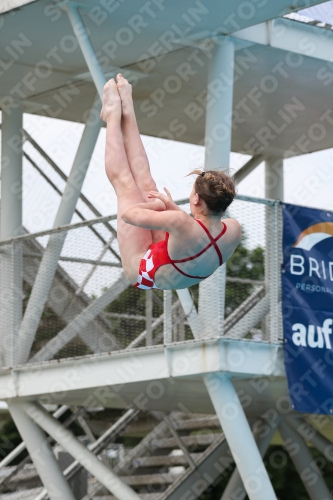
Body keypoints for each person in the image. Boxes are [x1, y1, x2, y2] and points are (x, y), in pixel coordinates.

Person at [100, 74, 241, 290]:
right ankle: (126, 109)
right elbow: (195, 233)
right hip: (174, 261)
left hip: (141, 272)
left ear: (195, 198)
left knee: (126, 186)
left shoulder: (181, 223)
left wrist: (157, 206)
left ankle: (113, 115)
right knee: (148, 186)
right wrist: (169, 206)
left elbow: (128, 216)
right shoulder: (232, 229)